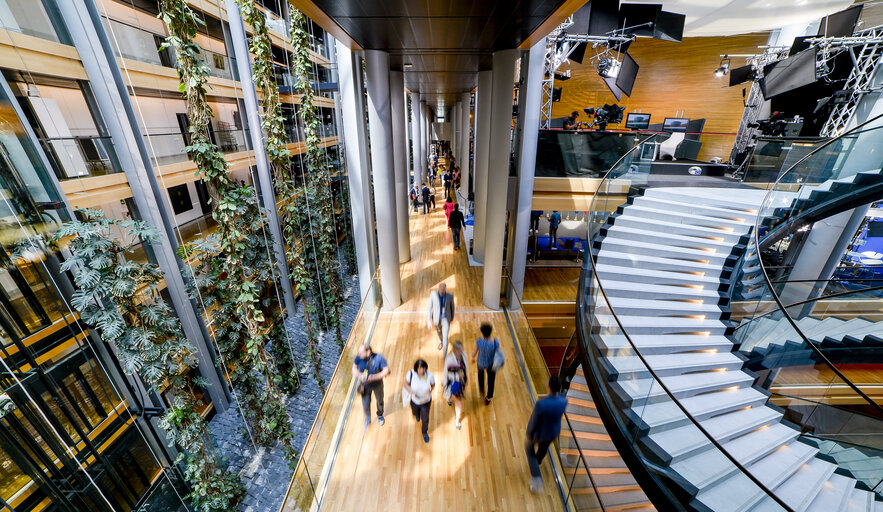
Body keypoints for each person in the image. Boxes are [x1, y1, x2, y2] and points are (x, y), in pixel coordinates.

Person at [525, 376, 568, 493]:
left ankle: (537, 478)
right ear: (560, 388)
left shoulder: (542, 404)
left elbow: (534, 421)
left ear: (548, 386)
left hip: (540, 433)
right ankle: (538, 461)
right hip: (553, 432)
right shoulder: (564, 401)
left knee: (529, 449)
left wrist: (529, 433)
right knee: (543, 448)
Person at [352, 343, 390, 428]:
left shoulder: (379, 358)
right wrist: (359, 375)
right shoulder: (358, 358)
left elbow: (386, 370)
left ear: (368, 352)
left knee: (379, 401)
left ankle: (380, 414)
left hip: (377, 385)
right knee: (365, 404)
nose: (359, 354)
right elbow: (354, 369)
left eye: (361, 352)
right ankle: (368, 418)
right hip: (365, 386)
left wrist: (373, 377)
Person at [404, 359, 435, 443]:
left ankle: (424, 432)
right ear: (416, 368)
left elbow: (433, 385)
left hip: (426, 402)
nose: (422, 370)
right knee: (415, 413)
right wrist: (411, 390)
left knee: (425, 418)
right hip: (414, 401)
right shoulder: (410, 374)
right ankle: (417, 415)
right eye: (420, 368)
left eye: (424, 368)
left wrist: (430, 392)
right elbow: (405, 384)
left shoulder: (429, 375)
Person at [471, 323, 500, 405]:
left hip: (481, 362)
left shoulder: (479, 341)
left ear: (482, 332)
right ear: (491, 332)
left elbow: (474, 353)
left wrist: (472, 358)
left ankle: (481, 390)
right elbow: (498, 353)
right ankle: (488, 397)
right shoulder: (495, 342)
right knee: (491, 380)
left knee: (480, 376)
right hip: (491, 364)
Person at [443, 341, 468, 430]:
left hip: (461, 383)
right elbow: (446, 374)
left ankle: (457, 420)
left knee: (459, 401)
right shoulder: (449, 360)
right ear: (455, 351)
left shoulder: (464, 355)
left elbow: (465, 368)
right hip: (452, 382)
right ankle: (449, 399)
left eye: (462, 349)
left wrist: (463, 377)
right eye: (460, 350)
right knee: (451, 396)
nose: (462, 351)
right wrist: (458, 376)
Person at [427, 282, 454, 354]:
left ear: (445, 289)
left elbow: (452, 307)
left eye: (443, 289)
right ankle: (441, 341)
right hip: (436, 318)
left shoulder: (450, 296)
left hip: (445, 318)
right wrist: (429, 320)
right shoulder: (433, 294)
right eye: (441, 289)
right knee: (439, 331)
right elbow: (429, 307)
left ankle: (444, 354)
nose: (442, 290)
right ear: (438, 288)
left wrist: (452, 317)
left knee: (445, 336)